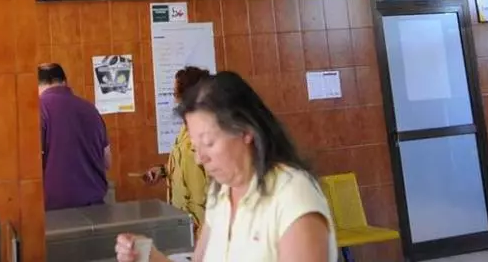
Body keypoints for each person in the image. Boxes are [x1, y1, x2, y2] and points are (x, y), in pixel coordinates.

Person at [115, 71, 337, 262]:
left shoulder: (292, 195)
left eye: (209, 143)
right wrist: (150, 255)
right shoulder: (221, 194)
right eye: (195, 146)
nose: (200, 158)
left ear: (245, 130)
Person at [142, 67, 210, 233]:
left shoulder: (208, 131)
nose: (175, 100)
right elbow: (185, 164)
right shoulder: (185, 129)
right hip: (183, 221)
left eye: (175, 94)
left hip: (201, 225)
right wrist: (162, 171)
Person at [39, 63, 111, 210]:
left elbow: (32, 165)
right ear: (65, 82)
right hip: (95, 208)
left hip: (56, 211)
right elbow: (107, 161)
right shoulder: (90, 109)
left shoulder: (39, 109)